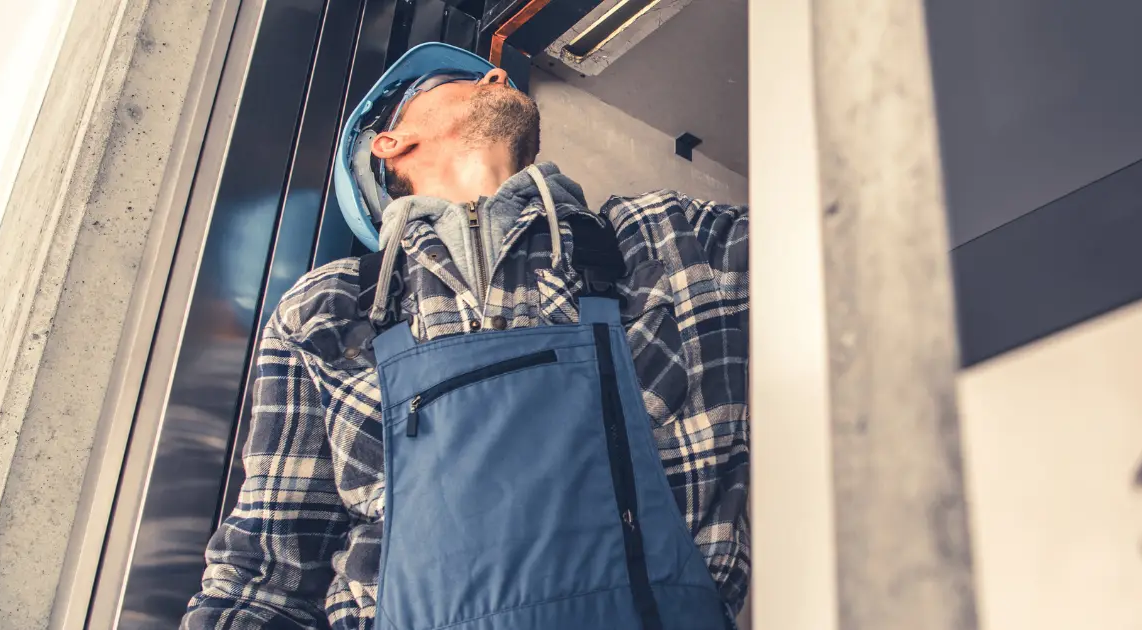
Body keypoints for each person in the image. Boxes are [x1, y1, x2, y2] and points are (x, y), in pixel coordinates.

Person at [181, 42, 748, 630]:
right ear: (391, 142)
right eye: (457, 78)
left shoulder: (667, 237)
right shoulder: (328, 310)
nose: (499, 72)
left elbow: (843, 228)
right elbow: (265, 577)